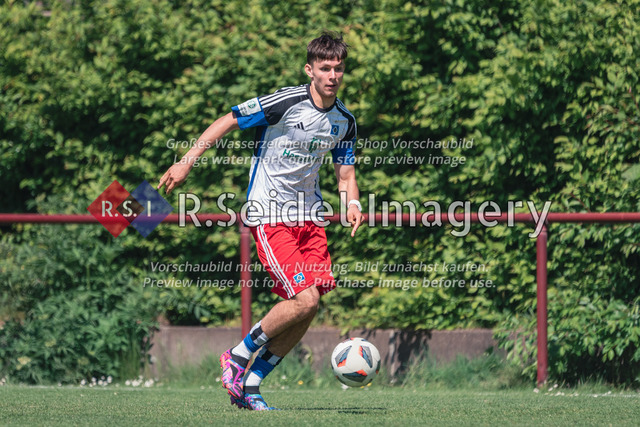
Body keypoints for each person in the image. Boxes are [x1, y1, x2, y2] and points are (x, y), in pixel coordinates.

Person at [158, 32, 363, 411]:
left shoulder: (345, 121)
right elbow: (228, 120)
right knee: (304, 299)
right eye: (325, 68)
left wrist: (351, 203)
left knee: (310, 305)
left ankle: (251, 385)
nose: (333, 76)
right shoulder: (284, 102)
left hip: (310, 219)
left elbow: (345, 174)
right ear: (310, 70)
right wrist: (186, 161)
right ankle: (237, 356)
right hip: (270, 213)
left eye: (338, 69)